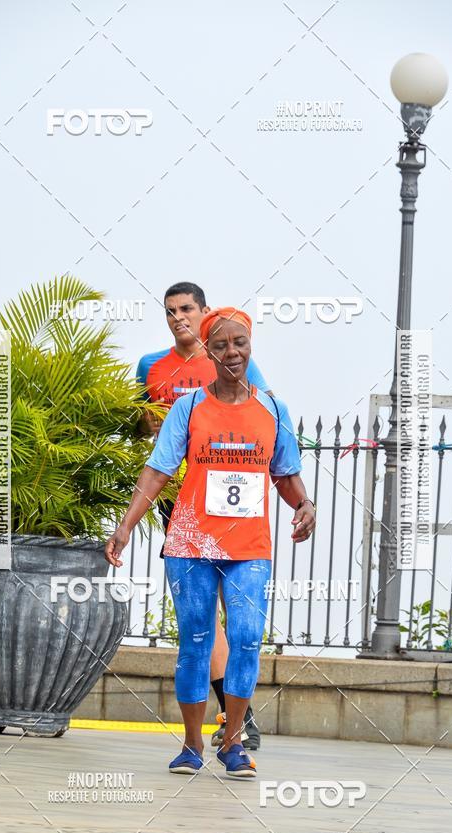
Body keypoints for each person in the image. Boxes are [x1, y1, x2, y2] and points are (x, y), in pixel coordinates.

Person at [107, 307, 315, 779]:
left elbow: (285, 474)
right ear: (208, 351)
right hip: (191, 542)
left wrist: (305, 504)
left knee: (246, 637)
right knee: (196, 641)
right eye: (220, 345)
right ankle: (191, 744)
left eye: (239, 342)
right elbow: (158, 470)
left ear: (250, 345)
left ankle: (234, 741)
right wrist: (125, 526)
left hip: (248, 546)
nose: (231, 352)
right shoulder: (189, 408)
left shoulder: (273, 410)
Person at [135, 282, 271, 750]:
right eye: (170, 311)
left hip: (235, 505)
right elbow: (138, 427)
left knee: (241, 617)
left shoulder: (229, 356)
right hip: (182, 500)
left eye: (187, 309)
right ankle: (237, 721)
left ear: (205, 312)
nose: (179, 318)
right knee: (202, 618)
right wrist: (152, 424)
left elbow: (261, 415)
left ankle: (238, 719)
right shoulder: (151, 365)